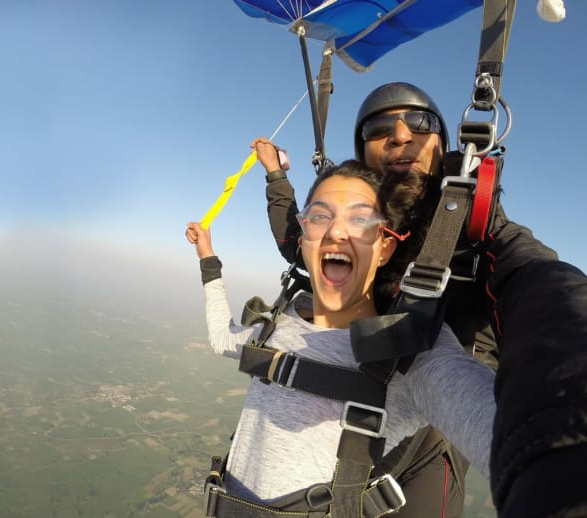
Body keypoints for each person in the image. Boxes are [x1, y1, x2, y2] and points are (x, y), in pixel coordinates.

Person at [253, 82, 587, 517]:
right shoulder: (358, 224)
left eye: (419, 122)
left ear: (442, 142)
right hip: (357, 396)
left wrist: (563, 426)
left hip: (440, 421)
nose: (400, 134)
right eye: (378, 128)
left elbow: (537, 282)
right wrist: (277, 176)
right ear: (364, 151)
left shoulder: (476, 231)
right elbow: (296, 242)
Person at [186, 160, 496, 517]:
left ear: (385, 248)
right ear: (303, 241)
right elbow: (222, 339)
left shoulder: (409, 353)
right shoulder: (277, 324)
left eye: (361, 219)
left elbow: (512, 435)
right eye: (319, 216)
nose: (336, 232)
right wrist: (208, 260)